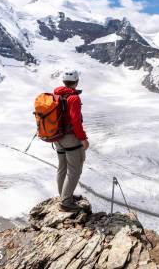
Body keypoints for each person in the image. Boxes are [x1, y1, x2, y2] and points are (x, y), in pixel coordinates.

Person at [54, 69, 89, 212]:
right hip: (70, 138)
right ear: (77, 81)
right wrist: (83, 138)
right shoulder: (73, 98)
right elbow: (75, 121)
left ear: (63, 82)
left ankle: (63, 195)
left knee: (62, 167)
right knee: (74, 170)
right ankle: (66, 202)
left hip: (57, 137)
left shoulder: (56, 94)